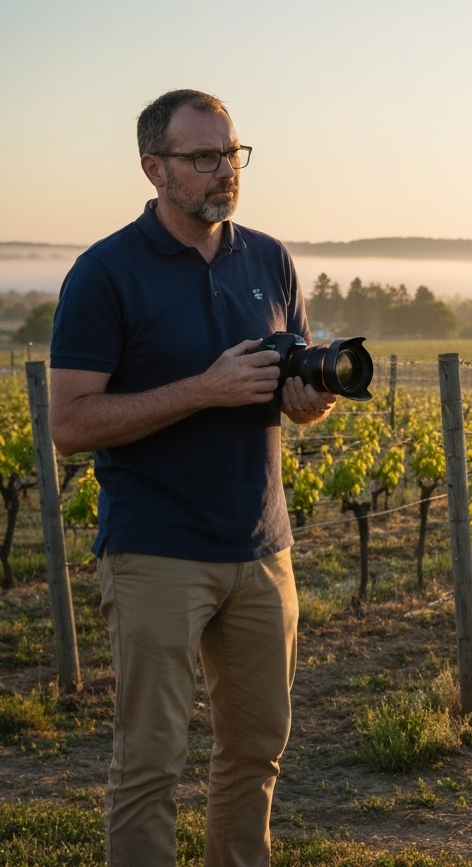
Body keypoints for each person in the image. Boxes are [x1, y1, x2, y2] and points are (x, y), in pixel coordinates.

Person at [48, 89, 334, 867]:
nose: (223, 172)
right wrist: (200, 390)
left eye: (232, 154)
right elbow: (69, 425)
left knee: (255, 754)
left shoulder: (269, 258)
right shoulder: (105, 274)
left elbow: (291, 390)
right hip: (156, 551)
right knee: (149, 763)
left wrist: (310, 400)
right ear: (155, 169)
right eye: (202, 158)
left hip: (262, 549)